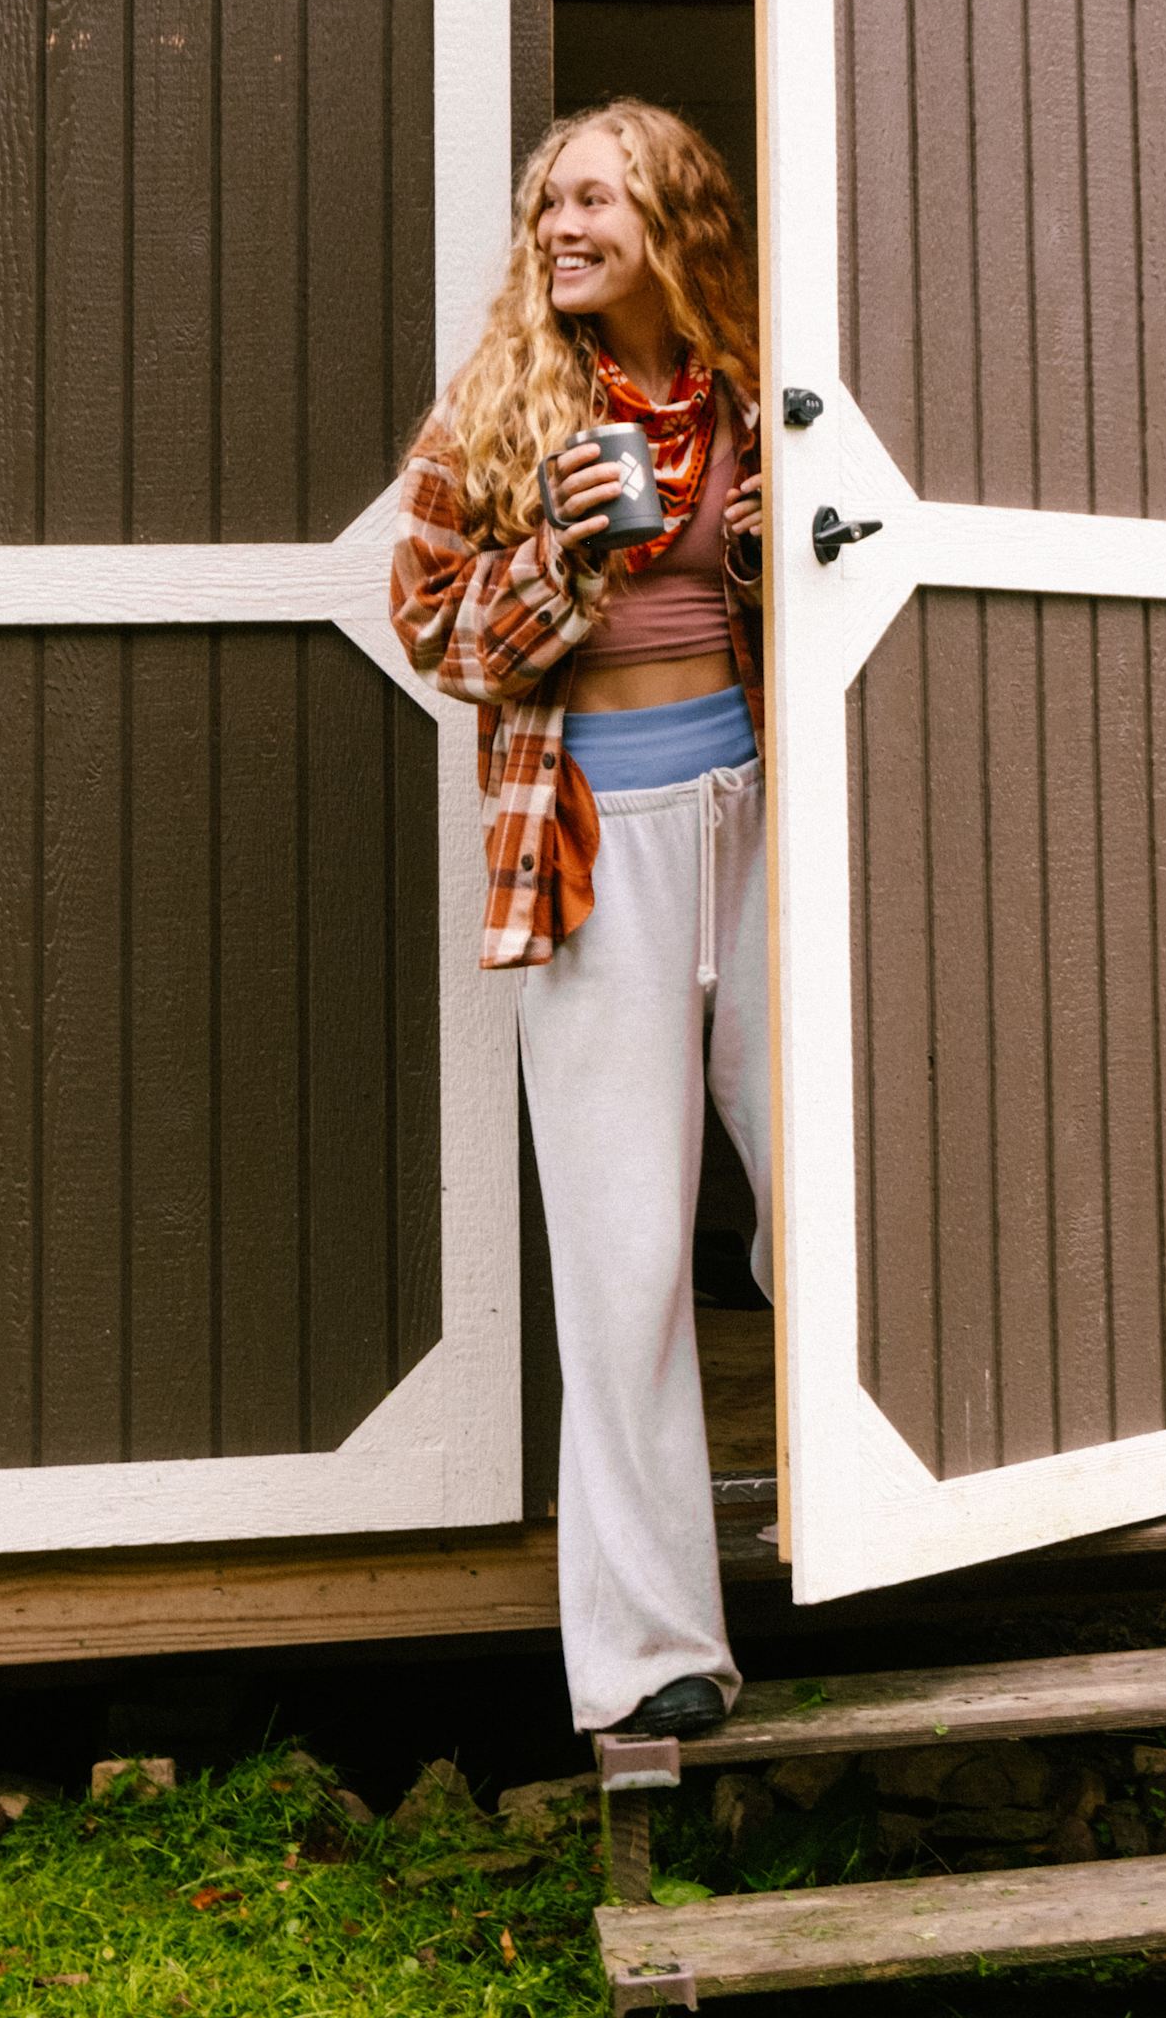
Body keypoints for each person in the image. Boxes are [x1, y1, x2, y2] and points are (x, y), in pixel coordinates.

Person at [391, 98, 768, 1744]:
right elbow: (435, 635)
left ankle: (898, 1502)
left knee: (828, 1191)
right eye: (550, 199)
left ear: (672, 221)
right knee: (625, 1259)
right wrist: (561, 553)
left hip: (766, 827)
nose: (560, 223)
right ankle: (653, 1651)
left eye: (597, 198)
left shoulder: (752, 398)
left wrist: (762, 560)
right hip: (594, 843)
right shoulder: (496, 402)